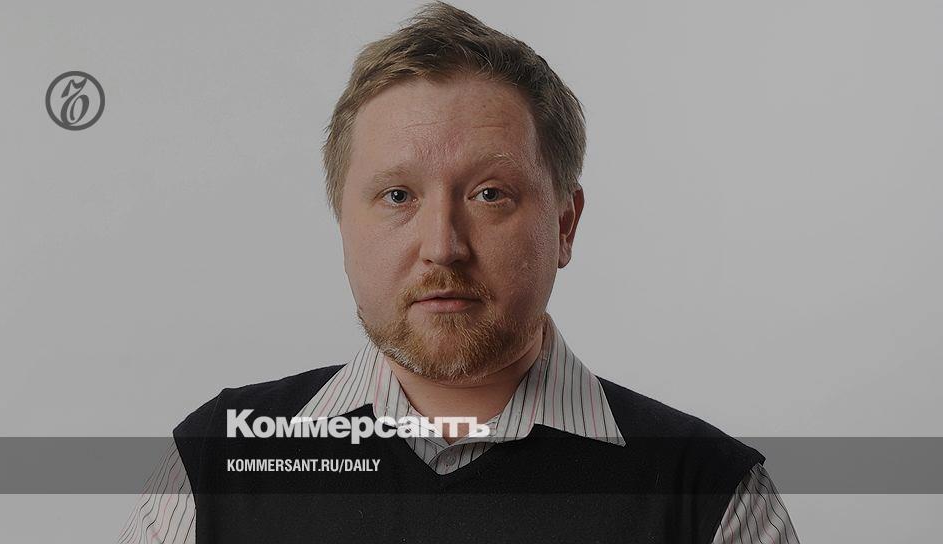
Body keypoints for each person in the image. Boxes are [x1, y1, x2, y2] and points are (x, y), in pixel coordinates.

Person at [119, 2, 800, 542]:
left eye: (489, 194)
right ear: (341, 222)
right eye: (398, 196)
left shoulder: (710, 498)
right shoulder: (216, 465)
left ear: (565, 224)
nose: (442, 247)